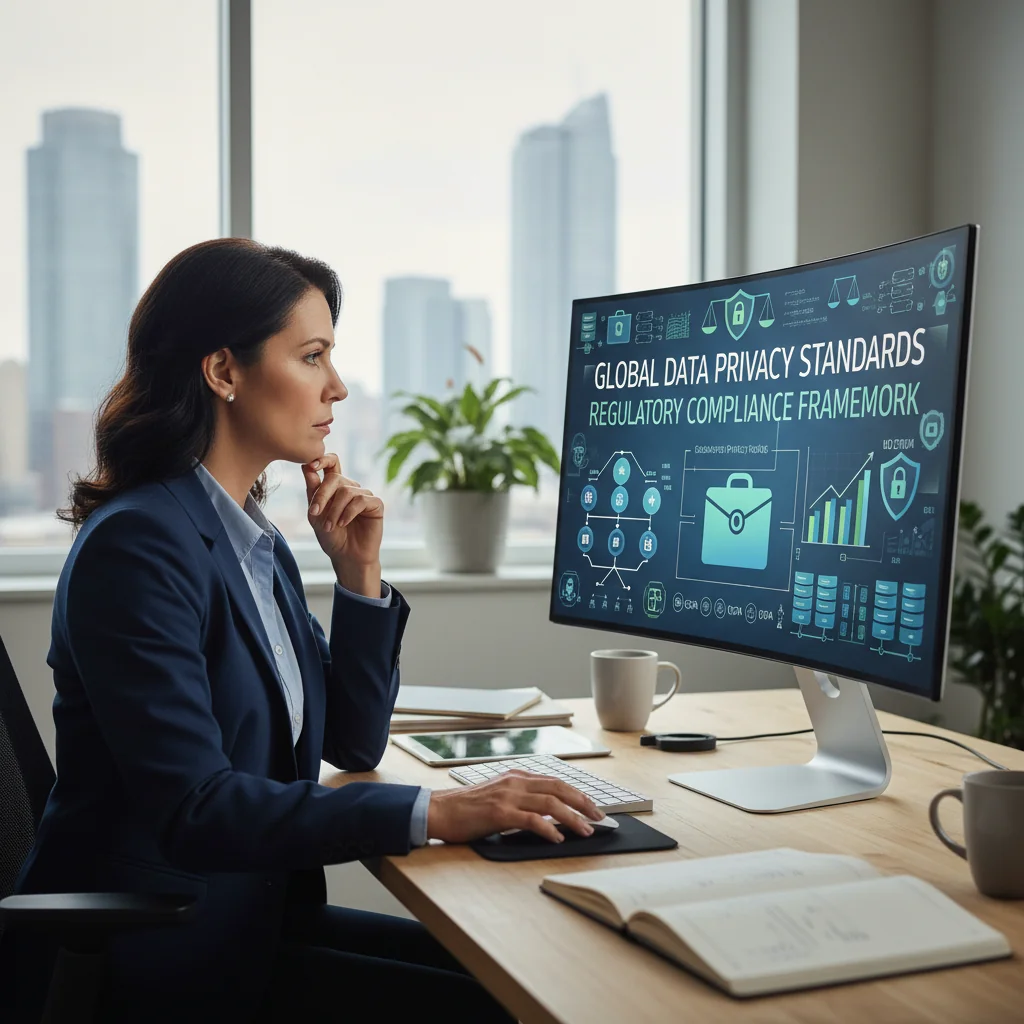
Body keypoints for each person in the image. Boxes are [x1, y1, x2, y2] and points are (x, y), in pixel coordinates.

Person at [0, 239, 602, 1023]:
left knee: (521, 983)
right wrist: (441, 812)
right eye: (312, 356)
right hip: (161, 952)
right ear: (223, 372)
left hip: (251, 920)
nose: (339, 387)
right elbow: (198, 810)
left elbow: (351, 739)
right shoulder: (139, 546)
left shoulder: (251, 540)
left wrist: (358, 577)